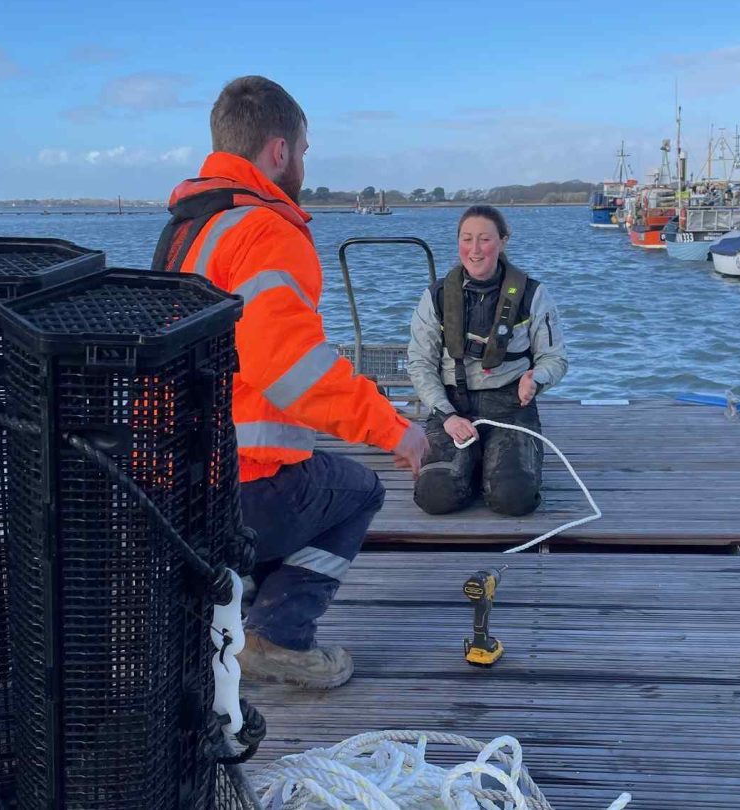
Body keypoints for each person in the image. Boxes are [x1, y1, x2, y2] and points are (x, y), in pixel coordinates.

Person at [152, 75, 427, 689]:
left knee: (309, 476)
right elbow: (290, 367)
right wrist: (393, 429)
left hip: (174, 480)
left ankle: (227, 618)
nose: (302, 163)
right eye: (302, 150)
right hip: (238, 485)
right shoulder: (265, 231)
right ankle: (278, 637)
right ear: (278, 150)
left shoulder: (187, 229)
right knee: (356, 491)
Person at [406, 206, 568, 517]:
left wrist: (537, 378)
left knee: (514, 499)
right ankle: (472, 461)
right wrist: (448, 416)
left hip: (510, 410)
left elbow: (555, 358)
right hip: (452, 409)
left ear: (503, 241)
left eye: (485, 239)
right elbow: (420, 363)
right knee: (435, 496)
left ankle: (499, 464)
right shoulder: (436, 297)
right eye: (467, 239)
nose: (475, 250)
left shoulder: (533, 294)